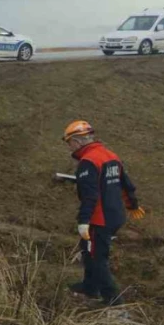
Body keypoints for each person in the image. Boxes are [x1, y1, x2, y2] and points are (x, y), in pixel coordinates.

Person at [63, 120, 145, 306]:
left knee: (96, 257)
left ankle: (114, 301)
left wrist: (84, 221)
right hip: (116, 215)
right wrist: (132, 205)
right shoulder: (110, 155)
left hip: (99, 218)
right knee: (87, 248)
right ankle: (89, 287)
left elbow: (89, 196)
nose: (69, 147)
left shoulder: (88, 162)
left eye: (69, 143)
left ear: (77, 141)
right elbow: (125, 183)